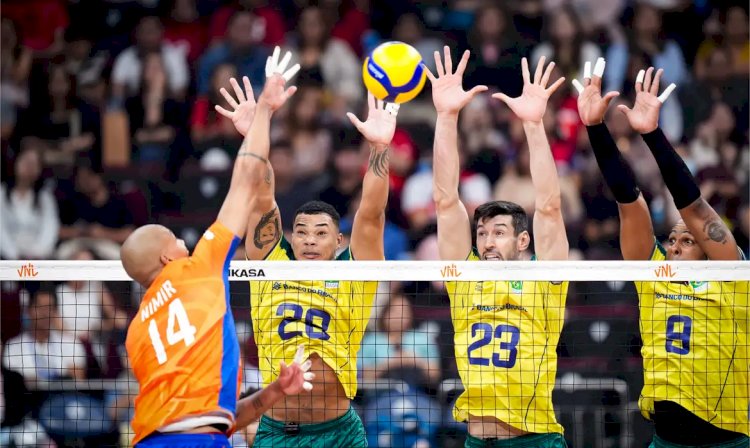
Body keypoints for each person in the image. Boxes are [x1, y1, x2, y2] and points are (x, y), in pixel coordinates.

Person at [120, 48, 314, 448]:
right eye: (176, 240)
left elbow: (212, 418)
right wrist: (264, 111)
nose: (184, 242)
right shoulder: (197, 268)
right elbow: (244, 178)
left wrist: (275, 391)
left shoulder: (137, 331)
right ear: (166, 258)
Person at [217, 45, 397, 446]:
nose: (310, 240)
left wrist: (380, 149)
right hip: (276, 432)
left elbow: (370, 214)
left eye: (321, 233)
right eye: (301, 231)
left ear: (338, 241)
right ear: (290, 237)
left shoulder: (354, 271)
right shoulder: (270, 262)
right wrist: (257, 128)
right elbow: (262, 197)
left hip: (338, 433)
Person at [573, 58, 749, 447]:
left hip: (726, 440)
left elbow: (694, 206)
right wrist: (595, 129)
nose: (673, 246)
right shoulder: (655, 277)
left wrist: (653, 135)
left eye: (687, 241)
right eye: (672, 239)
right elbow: (628, 202)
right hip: (663, 441)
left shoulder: (732, 275)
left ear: (708, 250)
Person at [428, 47, 570, 447]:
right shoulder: (464, 276)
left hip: (533, 439)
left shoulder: (545, 278)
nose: (488, 241)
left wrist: (533, 125)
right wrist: (446, 116)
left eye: (500, 232)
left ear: (523, 241)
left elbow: (549, 206)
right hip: (475, 440)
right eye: (483, 233)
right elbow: (444, 199)